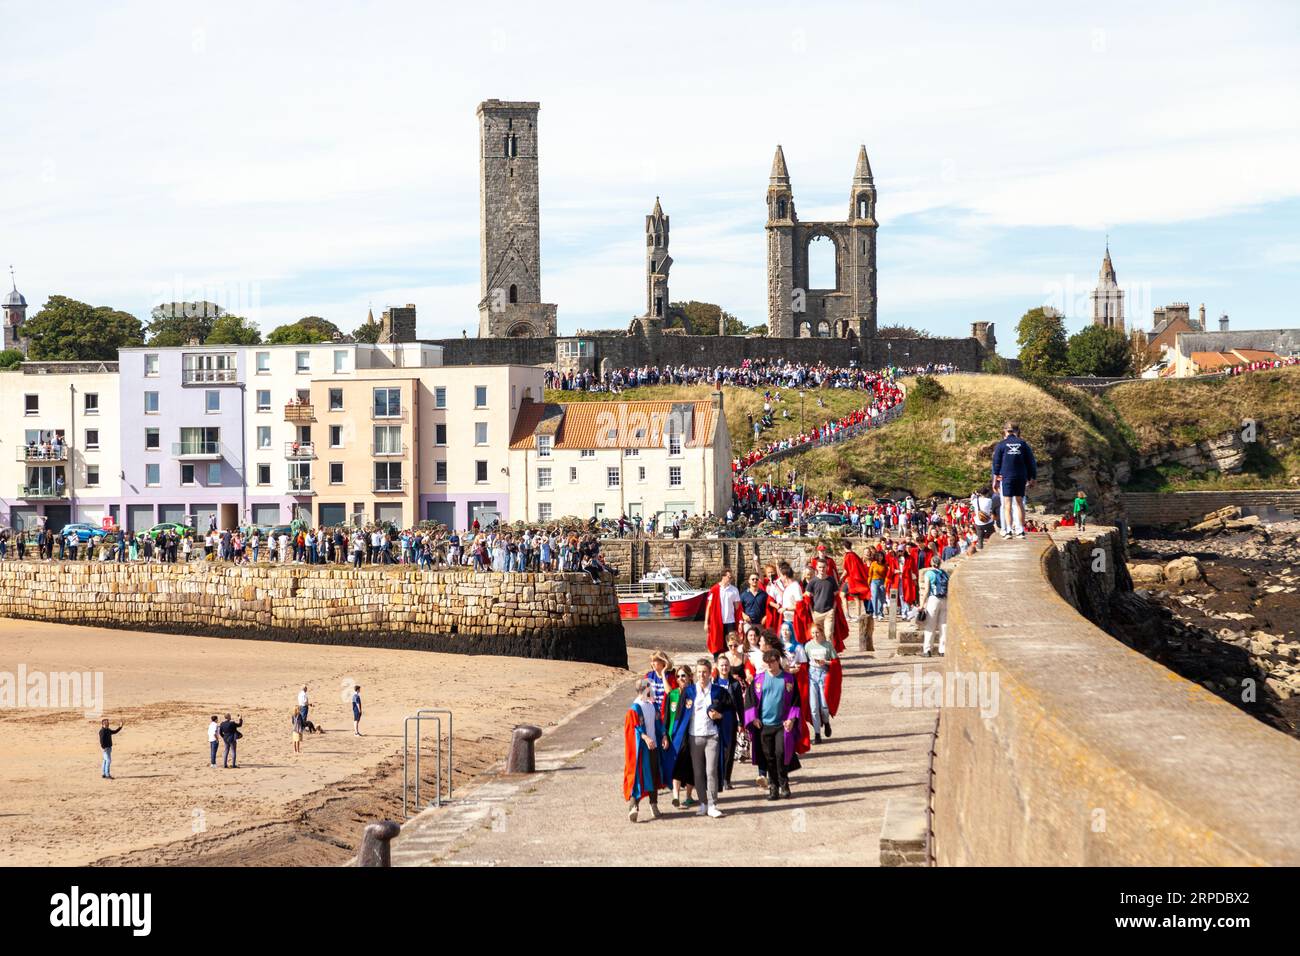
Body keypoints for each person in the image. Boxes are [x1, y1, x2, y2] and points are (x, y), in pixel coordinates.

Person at [744, 650, 799, 801]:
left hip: (781, 724)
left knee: (781, 754)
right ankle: (773, 788)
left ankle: (784, 784)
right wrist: (753, 718)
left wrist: (792, 719)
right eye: (766, 662)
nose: (769, 665)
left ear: (778, 661)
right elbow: (750, 700)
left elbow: (796, 701)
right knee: (769, 757)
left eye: (772, 662)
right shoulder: (759, 680)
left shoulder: (788, 679)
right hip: (764, 726)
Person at [685, 657, 730, 818]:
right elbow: (681, 715)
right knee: (697, 772)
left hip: (712, 736)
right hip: (694, 736)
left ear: (711, 673)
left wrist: (720, 715)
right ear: (695, 674)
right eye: (699, 672)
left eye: (704, 672)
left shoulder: (718, 691)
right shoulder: (689, 691)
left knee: (711, 770)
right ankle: (703, 803)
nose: (702, 675)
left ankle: (712, 804)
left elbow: (729, 710)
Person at [623, 677, 666, 822]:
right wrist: (646, 738)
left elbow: (659, 722)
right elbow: (635, 729)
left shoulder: (652, 705)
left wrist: (664, 735)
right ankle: (633, 807)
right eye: (649, 687)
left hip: (653, 747)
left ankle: (654, 805)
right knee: (638, 777)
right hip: (641, 750)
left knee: (654, 776)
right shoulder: (634, 709)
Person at [991, 421, 1037, 539]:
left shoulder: (1001, 444)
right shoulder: (1023, 443)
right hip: (1021, 476)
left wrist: (995, 480)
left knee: (1007, 504)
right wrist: (1033, 477)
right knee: (1019, 503)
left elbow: (996, 463)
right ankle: (1020, 530)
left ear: (1005, 431)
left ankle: (1009, 530)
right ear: (1017, 431)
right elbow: (1030, 461)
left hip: (1007, 477)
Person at [703, 569, 742, 658]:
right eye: (729, 576)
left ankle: (731, 661)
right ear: (723, 577)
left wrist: (740, 621)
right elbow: (709, 607)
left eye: (731, 577)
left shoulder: (734, 590)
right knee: (717, 642)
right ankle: (718, 661)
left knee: (731, 642)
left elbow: (737, 607)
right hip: (717, 621)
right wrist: (706, 622)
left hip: (730, 621)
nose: (730, 578)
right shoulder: (714, 589)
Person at [920, 555, 950, 657]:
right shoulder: (945, 573)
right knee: (943, 626)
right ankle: (943, 650)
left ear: (931, 563)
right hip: (944, 600)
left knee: (930, 625)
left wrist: (922, 604)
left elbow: (927, 590)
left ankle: (927, 650)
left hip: (933, 599)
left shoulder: (929, 573)